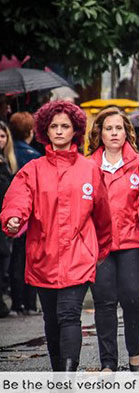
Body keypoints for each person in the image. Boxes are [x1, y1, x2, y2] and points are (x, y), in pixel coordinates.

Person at [1, 100, 112, 372]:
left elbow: (103, 216)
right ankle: (58, 374)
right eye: (54, 126)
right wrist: (13, 219)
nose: (60, 131)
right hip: (43, 256)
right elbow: (17, 200)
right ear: (45, 131)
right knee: (51, 320)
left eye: (66, 126)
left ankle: (67, 381)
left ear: (75, 131)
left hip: (79, 255)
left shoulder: (90, 170)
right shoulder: (33, 170)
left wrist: (101, 250)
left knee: (69, 315)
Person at [88, 107, 139, 372]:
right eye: (108, 128)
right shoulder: (88, 165)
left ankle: (134, 351)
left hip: (134, 243)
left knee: (133, 298)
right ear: (100, 133)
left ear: (126, 132)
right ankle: (108, 362)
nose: (113, 133)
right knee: (105, 301)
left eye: (118, 128)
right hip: (100, 245)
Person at [7, 112, 41, 315]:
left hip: (12, 213)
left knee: (15, 259)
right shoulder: (33, 157)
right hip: (27, 215)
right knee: (28, 258)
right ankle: (29, 303)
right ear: (31, 131)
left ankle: (17, 302)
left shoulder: (10, 154)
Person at [0, 121, 16, 318]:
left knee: (5, 259)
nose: (0, 139)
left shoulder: (6, 162)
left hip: (6, 219)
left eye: (3, 136)